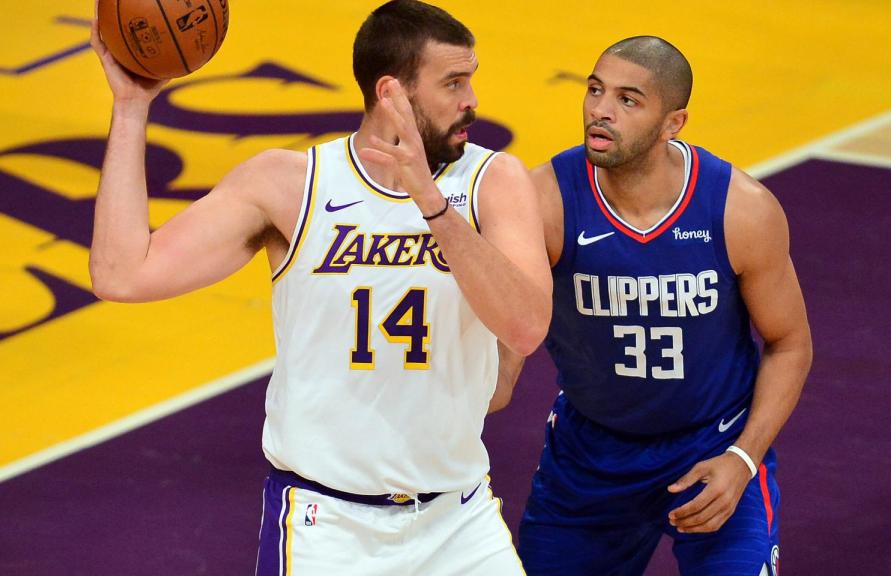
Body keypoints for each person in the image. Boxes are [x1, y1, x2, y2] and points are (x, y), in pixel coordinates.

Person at [88, 1, 551, 574]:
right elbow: (120, 274)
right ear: (391, 94)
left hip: (458, 520)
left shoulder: (491, 181)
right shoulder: (291, 185)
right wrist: (132, 109)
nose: (471, 100)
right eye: (454, 82)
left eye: (470, 80)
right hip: (326, 526)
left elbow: (527, 328)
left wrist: (428, 202)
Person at [504, 37, 813, 575]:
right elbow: (505, 333)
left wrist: (744, 459)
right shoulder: (545, 201)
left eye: (628, 99)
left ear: (674, 123)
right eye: (595, 90)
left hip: (715, 447)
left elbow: (790, 342)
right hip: (590, 458)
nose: (600, 109)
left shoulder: (740, 209)